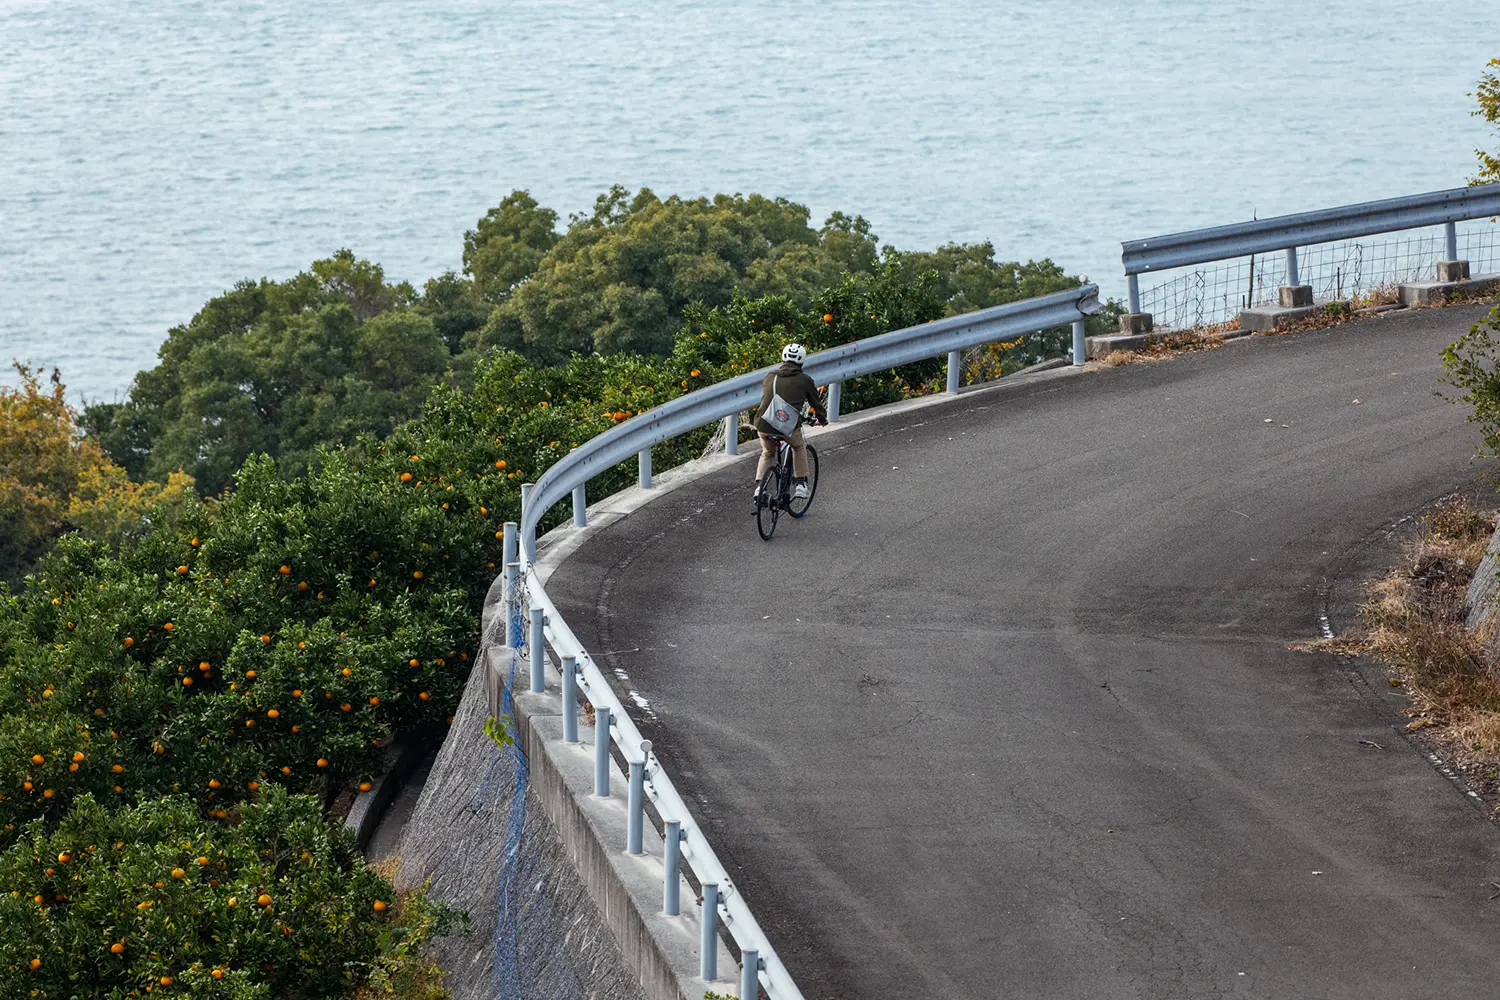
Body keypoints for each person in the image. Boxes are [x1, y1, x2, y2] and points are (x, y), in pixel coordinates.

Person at [750, 343, 827, 502]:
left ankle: (760, 488)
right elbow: (816, 403)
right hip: (786, 426)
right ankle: (800, 484)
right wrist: (822, 419)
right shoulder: (805, 380)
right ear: (802, 361)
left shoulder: (770, 376)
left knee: (767, 453)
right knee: (798, 447)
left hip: (763, 423)